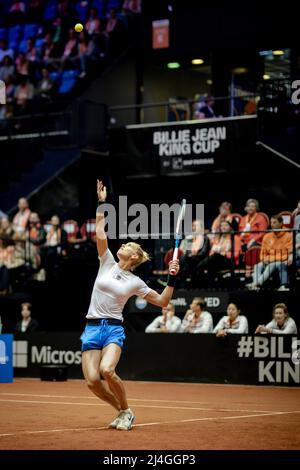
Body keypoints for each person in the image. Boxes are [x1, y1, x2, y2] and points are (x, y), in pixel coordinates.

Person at [80, 180, 180, 431]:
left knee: (107, 371)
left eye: (127, 246)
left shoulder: (135, 282)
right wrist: (102, 204)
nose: (121, 245)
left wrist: (172, 277)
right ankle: (124, 411)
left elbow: (163, 301)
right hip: (92, 326)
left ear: (134, 256)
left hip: (113, 329)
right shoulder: (107, 261)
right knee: (92, 381)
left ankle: (125, 411)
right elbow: (100, 233)